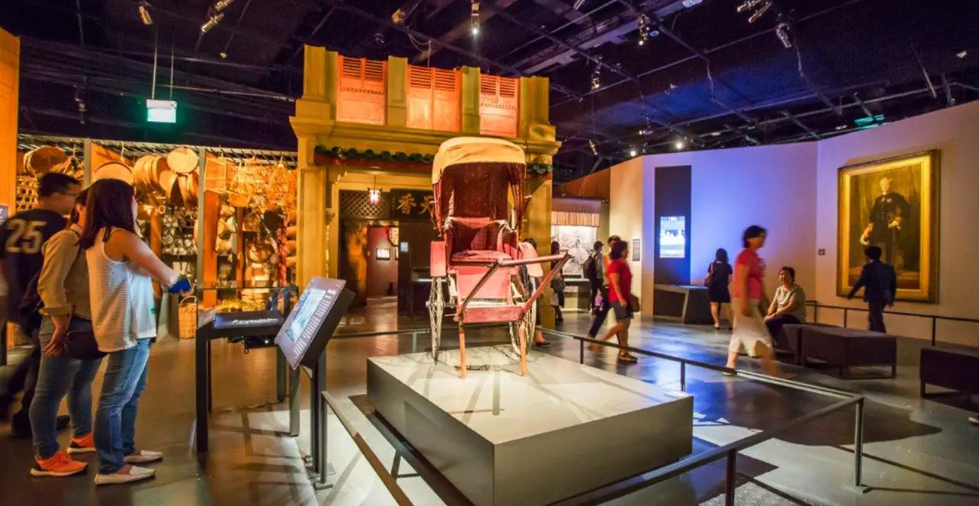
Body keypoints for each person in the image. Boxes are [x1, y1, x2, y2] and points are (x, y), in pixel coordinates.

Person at [81, 179, 193, 485]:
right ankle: (110, 466)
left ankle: (125, 451)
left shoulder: (101, 236)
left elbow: (142, 268)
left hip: (124, 324)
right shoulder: (120, 236)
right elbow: (162, 270)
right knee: (114, 399)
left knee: (130, 393)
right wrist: (182, 284)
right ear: (118, 202)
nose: (136, 205)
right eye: (133, 199)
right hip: (127, 327)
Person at [30, 188, 104, 477]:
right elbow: (49, 284)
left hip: (85, 323)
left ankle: (82, 435)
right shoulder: (65, 239)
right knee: (49, 392)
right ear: (80, 208)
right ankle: (46, 456)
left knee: (81, 383)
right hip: (65, 324)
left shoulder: (89, 241)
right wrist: (60, 324)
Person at [0, 172, 80, 437]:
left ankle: (12, 398)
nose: (74, 202)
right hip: (44, 301)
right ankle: (29, 417)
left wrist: (15, 290)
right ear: (56, 194)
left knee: (39, 353)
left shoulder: (13, 222)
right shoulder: (59, 226)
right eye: (72, 195)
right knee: (48, 356)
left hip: (18, 299)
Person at [725, 225, 779, 376]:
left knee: (739, 333)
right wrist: (744, 302)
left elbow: (759, 281)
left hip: (751, 300)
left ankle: (730, 365)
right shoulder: (745, 256)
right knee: (762, 335)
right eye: (759, 236)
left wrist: (765, 300)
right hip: (745, 300)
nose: (762, 239)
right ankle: (772, 371)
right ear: (749, 238)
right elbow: (741, 279)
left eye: (763, 236)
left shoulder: (755, 257)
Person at [596, 241, 637, 363]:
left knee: (625, 325)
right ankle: (602, 342)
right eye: (625, 249)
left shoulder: (623, 263)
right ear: (620, 251)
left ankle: (623, 351)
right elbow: (615, 282)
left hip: (624, 297)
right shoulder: (615, 264)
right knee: (622, 325)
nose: (627, 251)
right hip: (618, 299)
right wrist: (621, 298)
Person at [860, 176, 911, 270]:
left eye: (886, 184)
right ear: (880, 185)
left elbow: (906, 208)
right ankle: (871, 267)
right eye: (882, 184)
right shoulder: (878, 199)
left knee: (889, 246)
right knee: (868, 242)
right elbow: (873, 214)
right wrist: (870, 226)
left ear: (890, 185)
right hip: (878, 225)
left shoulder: (896, 196)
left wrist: (898, 219)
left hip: (889, 224)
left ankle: (889, 269)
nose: (884, 186)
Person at [846, 246, 896, 333]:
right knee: (874, 317)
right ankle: (871, 334)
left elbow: (861, 281)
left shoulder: (868, 267)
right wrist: (891, 299)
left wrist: (851, 294)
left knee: (876, 318)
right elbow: (893, 285)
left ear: (868, 256)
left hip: (874, 296)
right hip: (885, 296)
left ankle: (882, 338)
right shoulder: (889, 268)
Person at [587, 235, 620, 340]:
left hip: (617, 290)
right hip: (610, 288)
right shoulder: (605, 257)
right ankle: (593, 335)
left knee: (621, 319)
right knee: (608, 314)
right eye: (612, 244)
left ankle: (593, 334)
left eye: (615, 244)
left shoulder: (620, 258)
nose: (613, 247)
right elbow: (604, 272)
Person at [764, 266, 807, 341]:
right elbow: (773, 304)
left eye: (786, 275)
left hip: (793, 317)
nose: (783, 276)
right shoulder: (779, 289)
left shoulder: (797, 290)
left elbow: (791, 306)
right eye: (781, 274)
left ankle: (770, 343)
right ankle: (772, 343)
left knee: (770, 322)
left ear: (792, 277)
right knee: (766, 321)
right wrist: (768, 315)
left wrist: (774, 315)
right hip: (781, 315)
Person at [705, 248, 732, 330]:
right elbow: (730, 279)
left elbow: (707, 276)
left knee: (714, 305)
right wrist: (725, 283)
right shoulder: (728, 266)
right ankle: (731, 324)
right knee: (727, 307)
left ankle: (717, 323)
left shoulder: (712, 265)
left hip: (713, 287)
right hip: (723, 287)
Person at [584, 241, 604, 314]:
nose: (602, 248)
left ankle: (593, 308)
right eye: (601, 246)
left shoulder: (592, 254)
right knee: (604, 292)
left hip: (592, 277)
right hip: (598, 277)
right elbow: (599, 267)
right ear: (599, 247)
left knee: (594, 292)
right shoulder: (599, 255)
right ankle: (597, 307)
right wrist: (601, 276)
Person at [549, 240, 565, 323]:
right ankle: (558, 316)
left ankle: (558, 316)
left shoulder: (553, 259)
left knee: (554, 301)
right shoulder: (558, 259)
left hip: (554, 283)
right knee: (555, 301)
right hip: (556, 282)